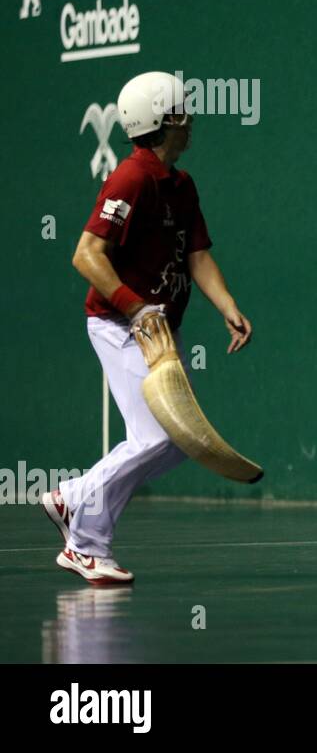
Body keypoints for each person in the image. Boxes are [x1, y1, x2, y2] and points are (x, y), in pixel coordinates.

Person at [41, 71, 253, 585]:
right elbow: (86, 255)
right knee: (161, 434)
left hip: (157, 330)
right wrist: (136, 309)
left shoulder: (181, 185)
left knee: (180, 440)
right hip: (119, 324)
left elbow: (197, 254)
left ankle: (73, 498)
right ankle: (86, 545)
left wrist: (226, 304)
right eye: (184, 112)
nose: (192, 120)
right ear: (165, 120)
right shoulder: (130, 180)